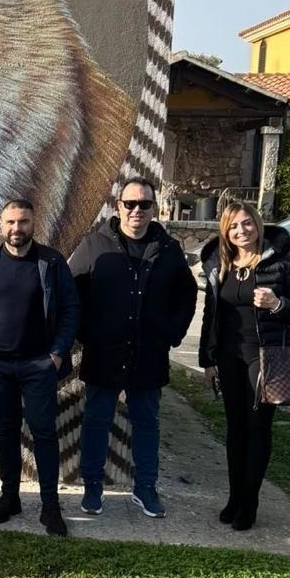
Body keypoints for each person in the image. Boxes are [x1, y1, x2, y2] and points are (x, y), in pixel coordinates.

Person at [69, 177, 197, 519]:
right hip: (104, 353)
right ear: (118, 206)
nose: (136, 210)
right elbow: (71, 293)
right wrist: (86, 335)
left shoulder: (168, 249)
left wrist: (171, 334)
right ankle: (93, 488)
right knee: (97, 421)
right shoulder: (95, 245)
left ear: (155, 208)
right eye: (130, 204)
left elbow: (186, 297)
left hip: (148, 354)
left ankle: (145, 489)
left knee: (147, 423)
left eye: (144, 204)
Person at [0, 198, 79, 537]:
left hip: (38, 365)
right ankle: (9, 497)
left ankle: (50, 507)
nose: (16, 229)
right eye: (10, 222)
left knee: (44, 433)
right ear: (1, 225)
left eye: (23, 222)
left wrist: (56, 353)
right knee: (6, 431)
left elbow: (70, 309)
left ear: (33, 224)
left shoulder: (51, 262)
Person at [198, 201, 290, 531]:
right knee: (235, 429)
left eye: (247, 223)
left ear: (258, 225)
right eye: (233, 226)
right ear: (225, 231)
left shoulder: (283, 265)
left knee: (257, 428)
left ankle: (250, 502)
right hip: (229, 358)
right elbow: (210, 317)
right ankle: (234, 498)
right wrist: (208, 360)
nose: (241, 231)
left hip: (266, 357)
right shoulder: (220, 265)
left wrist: (277, 304)